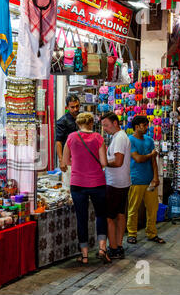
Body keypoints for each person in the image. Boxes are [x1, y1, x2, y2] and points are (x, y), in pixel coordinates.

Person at [63, 112, 111, 265]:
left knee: (81, 218)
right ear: (91, 123)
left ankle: (84, 255)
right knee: (101, 215)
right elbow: (104, 162)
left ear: (78, 124)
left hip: (77, 184)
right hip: (97, 182)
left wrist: (78, 161)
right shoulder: (98, 138)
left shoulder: (71, 137)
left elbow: (65, 161)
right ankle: (102, 248)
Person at [127, 116, 165, 245]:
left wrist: (156, 177)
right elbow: (138, 158)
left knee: (152, 209)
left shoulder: (149, 140)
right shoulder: (130, 140)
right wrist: (151, 155)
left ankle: (152, 233)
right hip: (135, 179)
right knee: (133, 209)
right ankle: (132, 233)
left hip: (149, 180)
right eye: (144, 125)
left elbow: (153, 161)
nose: (147, 127)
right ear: (136, 126)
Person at [101, 112, 131, 259]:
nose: (105, 129)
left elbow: (118, 161)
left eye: (106, 125)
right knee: (120, 215)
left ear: (115, 123)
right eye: (103, 126)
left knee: (109, 217)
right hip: (122, 182)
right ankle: (119, 246)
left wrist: (104, 163)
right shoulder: (119, 136)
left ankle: (113, 248)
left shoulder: (119, 138)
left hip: (115, 184)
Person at [56, 94, 80, 175]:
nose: (75, 109)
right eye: (72, 107)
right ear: (67, 108)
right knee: (68, 181)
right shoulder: (62, 121)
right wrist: (61, 160)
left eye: (77, 106)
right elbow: (58, 141)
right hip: (67, 157)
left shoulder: (82, 118)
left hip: (80, 156)